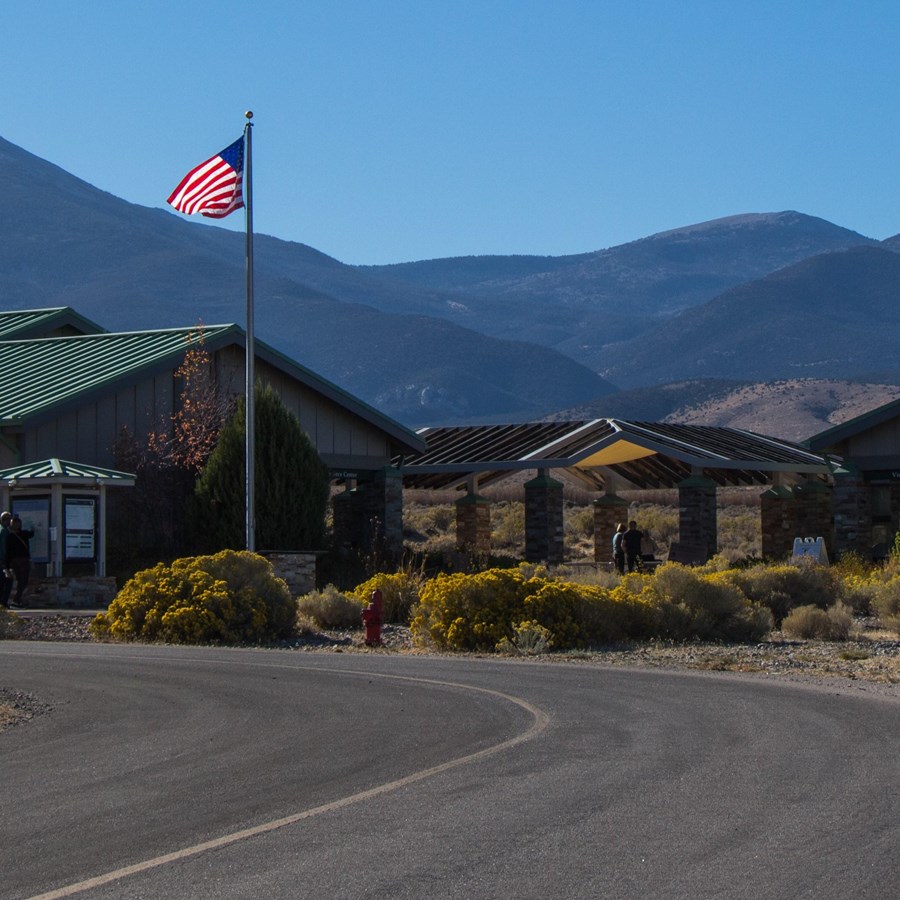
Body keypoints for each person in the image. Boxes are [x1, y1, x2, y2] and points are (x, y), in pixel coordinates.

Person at [7, 515, 34, 608]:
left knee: (20, 580)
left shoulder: (9, 536)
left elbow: (8, 550)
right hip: (23, 560)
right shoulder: (23, 534)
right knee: (23, 581)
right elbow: (31, 533)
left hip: (14, 561)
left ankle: (18, 600)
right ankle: (16, 600)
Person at [0, 512, 12, 608]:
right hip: (2, 561)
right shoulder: (4, 531)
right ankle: (3, 602)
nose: (9, 521)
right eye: (8, 519)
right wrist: (5, 561)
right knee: (8, 580)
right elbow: (4, 547)